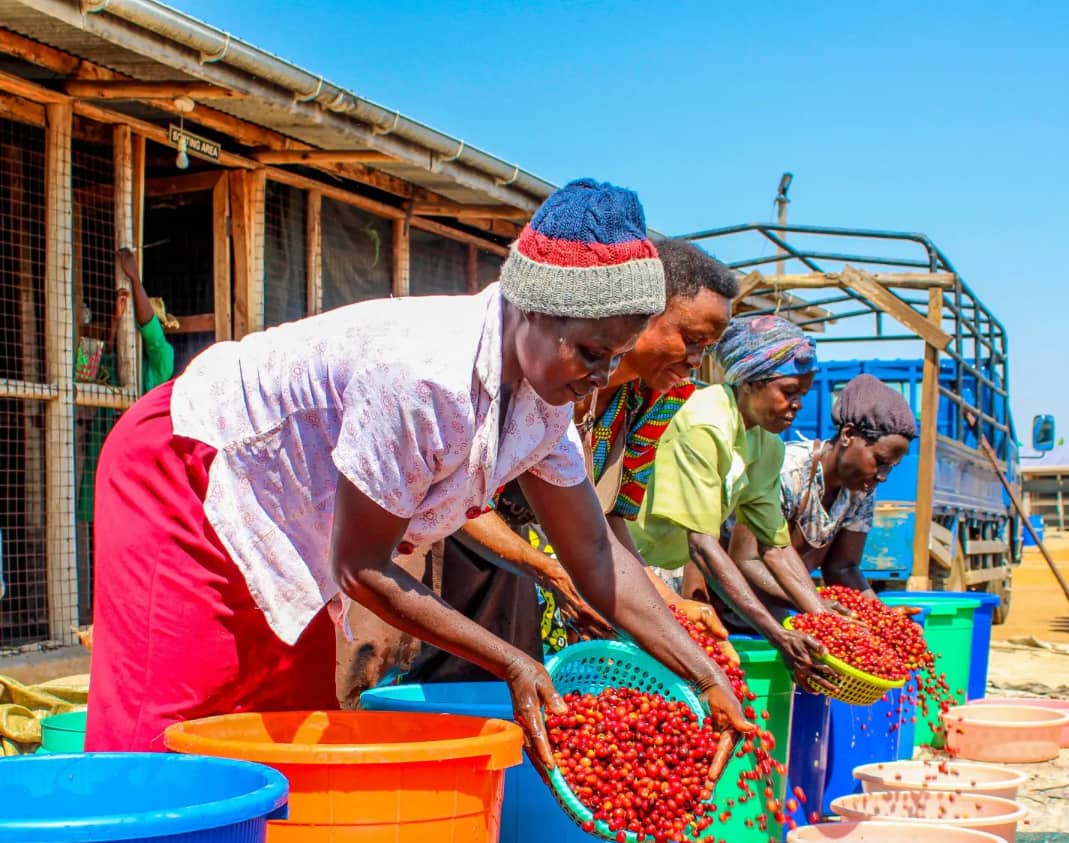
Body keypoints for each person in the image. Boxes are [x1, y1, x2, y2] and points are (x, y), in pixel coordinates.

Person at [86, 179, 750, 778]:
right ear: (532, 311)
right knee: (164, 736)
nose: (601, 377)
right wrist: (511, 660)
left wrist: (703, 675)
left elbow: (595, 555)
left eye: (616, 357)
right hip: (188, 472)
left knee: (283, 738)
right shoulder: (424, 373)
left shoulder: (546, 405)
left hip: (298, 518)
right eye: (591, 353)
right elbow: (363, 569)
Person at [390, 239, 741, 688]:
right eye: (691, 340)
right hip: (455, 550)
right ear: (642, 313)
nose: (695, 361)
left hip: (537, 569)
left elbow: (607, 523)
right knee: (443, 692)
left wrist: (665, 607)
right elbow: (454, 499)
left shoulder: (657, 399)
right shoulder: (554, 376)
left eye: (707, 348)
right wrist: (548, 568)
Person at [629, 314, 837, 689]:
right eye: (788, 392)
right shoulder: (704, 422)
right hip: (626, 565)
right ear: (749, 382)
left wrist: (823, 616)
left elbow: (774, 546)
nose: (797, 405)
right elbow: (704, 548)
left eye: (802, 395)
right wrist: (776, 634)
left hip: (662, 575)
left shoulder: (767, 445)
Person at [727, 373, 917, 608]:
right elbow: (746, 560)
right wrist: (814, 604)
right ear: (847, 435)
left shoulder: (860, 491)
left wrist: (879, 616)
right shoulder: (787, 472)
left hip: (784, 606)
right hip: (728, 602)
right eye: (879, 461)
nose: (883, 476)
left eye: (890, 467)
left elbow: (842, 566)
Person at [76, 247, 176, 633]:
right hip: (105, 465)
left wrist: (135, 280)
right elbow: (86, 368)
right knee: (97, 540)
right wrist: (113, 324)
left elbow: (151, 334)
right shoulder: (110, 366)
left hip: (140, 474)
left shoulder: (160, 361)